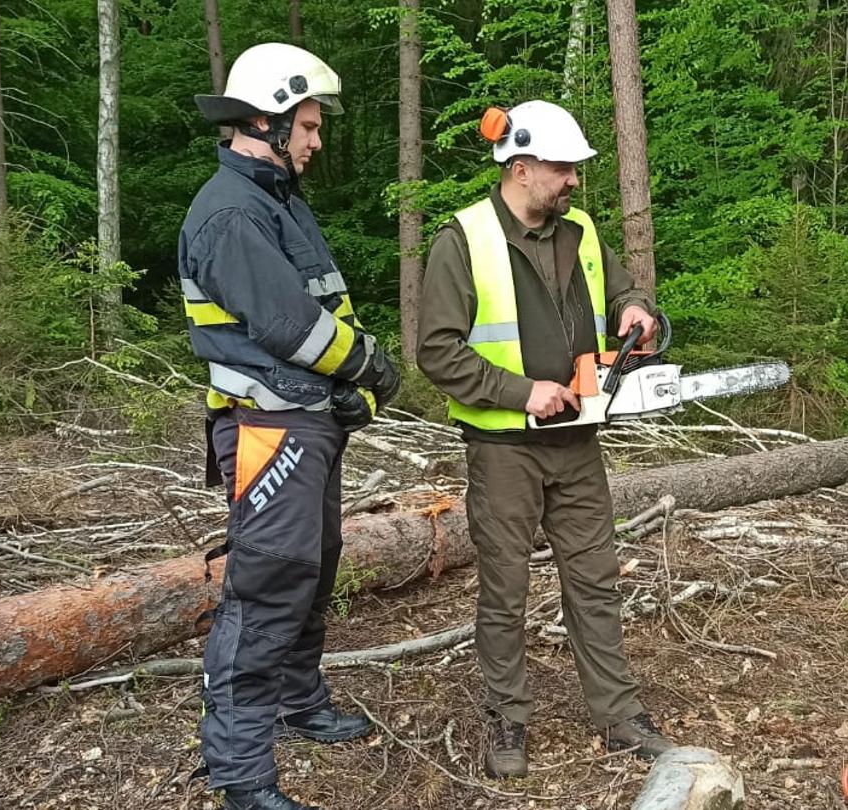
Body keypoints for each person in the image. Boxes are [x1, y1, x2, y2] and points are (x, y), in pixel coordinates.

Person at [416, 99, 677, 780]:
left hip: (579, 439)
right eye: (563, 168)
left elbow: (621, 292)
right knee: (504, 589)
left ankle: (619, 714)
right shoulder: (463, 240)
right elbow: (437, 351)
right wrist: (519, 390)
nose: (573, 180)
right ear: (522, 167)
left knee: (595, 580)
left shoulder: (580, 230)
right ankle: (508, 715)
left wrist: (634, 310)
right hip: (504, 447)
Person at [181, 43, 401, 810]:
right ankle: (240, 773)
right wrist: (369, 366)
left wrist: (352, 393)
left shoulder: (278, 202)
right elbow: (292, 327)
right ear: (265, 122)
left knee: (312, 569)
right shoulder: (232, 211)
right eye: (307, 126)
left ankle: (296, 699)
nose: (316, 141)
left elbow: (326, 312)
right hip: (267, 425)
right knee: (270, 583)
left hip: (302, 419)